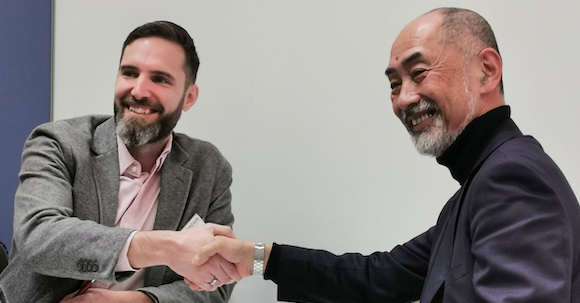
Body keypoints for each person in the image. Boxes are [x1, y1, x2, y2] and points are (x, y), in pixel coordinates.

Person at [190, 7, 580, 302]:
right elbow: (377, 276)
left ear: (487, 69)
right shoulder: (473, 193)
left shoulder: (511, 178)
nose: (404, 98)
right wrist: (255, 258)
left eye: (420, 72)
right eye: (394, 84)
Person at [0, 21, 240, 303]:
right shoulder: (58, 142)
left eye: (160, 79)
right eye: (129, 73)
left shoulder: (208, 168)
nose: (139, 91)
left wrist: (133, 301)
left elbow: (217, 286)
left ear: (189, 97)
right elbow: (39, 238)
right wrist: (168, 247)